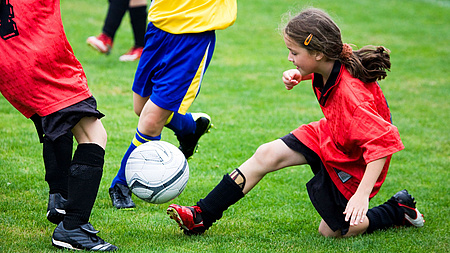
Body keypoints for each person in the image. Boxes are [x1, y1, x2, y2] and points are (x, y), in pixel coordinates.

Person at [166, 8, 425, 237]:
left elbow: (383, 143)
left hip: (356, 160)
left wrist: (361, 195)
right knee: (267, 153)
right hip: (331, 134)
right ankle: (202, 215)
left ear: (319, 53)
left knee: (332, 231)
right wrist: (300, 74)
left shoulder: (352, 97)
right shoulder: (330, 62)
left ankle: (397, 209)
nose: (290, 57)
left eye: (294, 52)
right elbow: (323, 72)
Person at [0, 0, 117, 251]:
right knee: (93, 134)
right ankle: (72, 227)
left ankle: (60, 198)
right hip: (39, 55)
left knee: (56, 120)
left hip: (8, 59)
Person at [108, 0, 238, 209]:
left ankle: (121, 184)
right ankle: (190, 128)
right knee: (141, 108)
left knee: (150, 121)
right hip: (159, 27)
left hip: (193, 36)